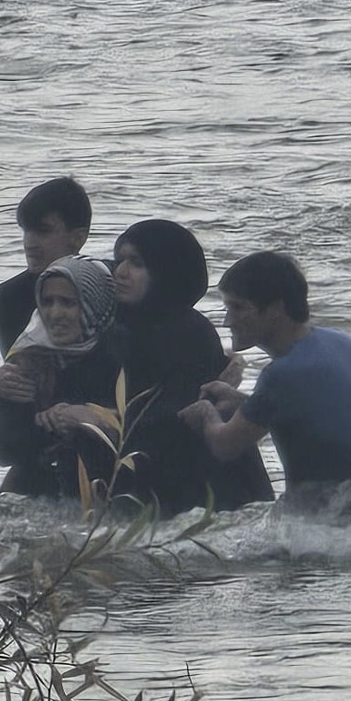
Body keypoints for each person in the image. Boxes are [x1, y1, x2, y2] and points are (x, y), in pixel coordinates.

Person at [178, 251, 351, 499]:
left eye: (238, 307)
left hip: (326, 515)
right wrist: (241, 401)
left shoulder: (281, 374)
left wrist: (205, 412)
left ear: (276, 309)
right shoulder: (339, 341)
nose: (227, 321)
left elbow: (225, 446)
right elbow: (306, 415)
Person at [108, 220, 275, 517]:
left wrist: (101, 421)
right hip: (141, 471)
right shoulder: (114, 322)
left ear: (164, 270)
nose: (120, 271)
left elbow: (177, 415)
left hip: (199, 488)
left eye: (136, 263)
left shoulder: (189, 332)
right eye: (119, 260)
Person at [0, 255, 121, 498]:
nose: (55, 313)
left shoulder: (124, 351)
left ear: (94, 303)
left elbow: (149, 434)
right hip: (41, 487)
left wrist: (91, 420)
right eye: (47, 302)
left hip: (114, 485)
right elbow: (6, 451)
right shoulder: (32, 356)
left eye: (68, 303)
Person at [0, 177, 92, 362]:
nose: (29, 243)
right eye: (26, 231)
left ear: (78, 238)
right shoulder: (10, 297)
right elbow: (19, 369)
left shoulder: (106, 288)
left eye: (43, 231)